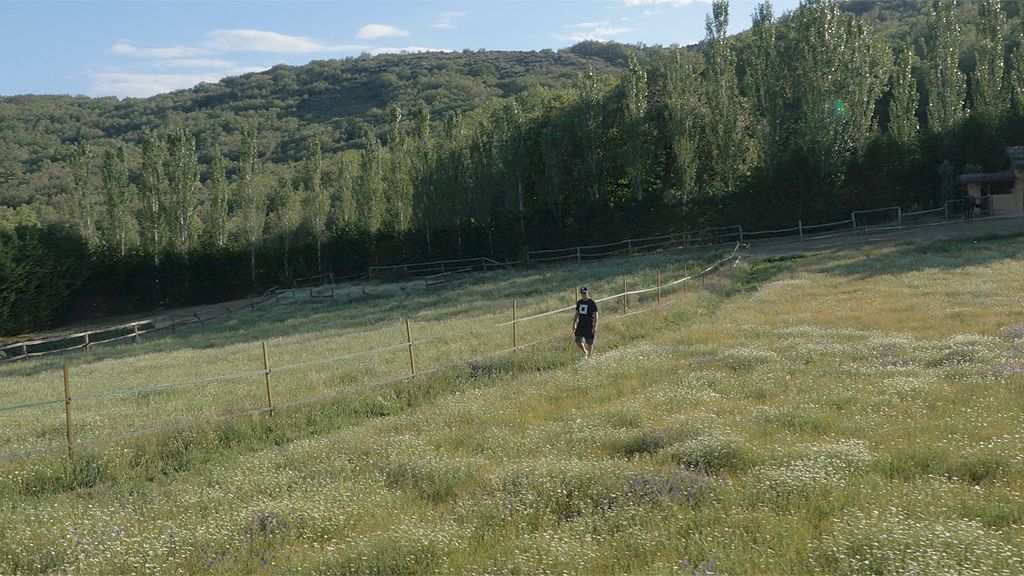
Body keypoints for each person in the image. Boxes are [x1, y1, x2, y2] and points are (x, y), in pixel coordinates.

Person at [573, 286, 598, 359]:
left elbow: (596, 314)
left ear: (587, 292)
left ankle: (589, 357)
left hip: (589, 325)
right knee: (577, 340)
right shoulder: (579, 302)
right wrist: (574, 323)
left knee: (589, 342)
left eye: (584, 293)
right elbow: (577, 313)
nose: (583, 294)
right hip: (581, 324)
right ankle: (585, 352)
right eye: (582, 293)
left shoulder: (592, 303)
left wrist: (595, 325)